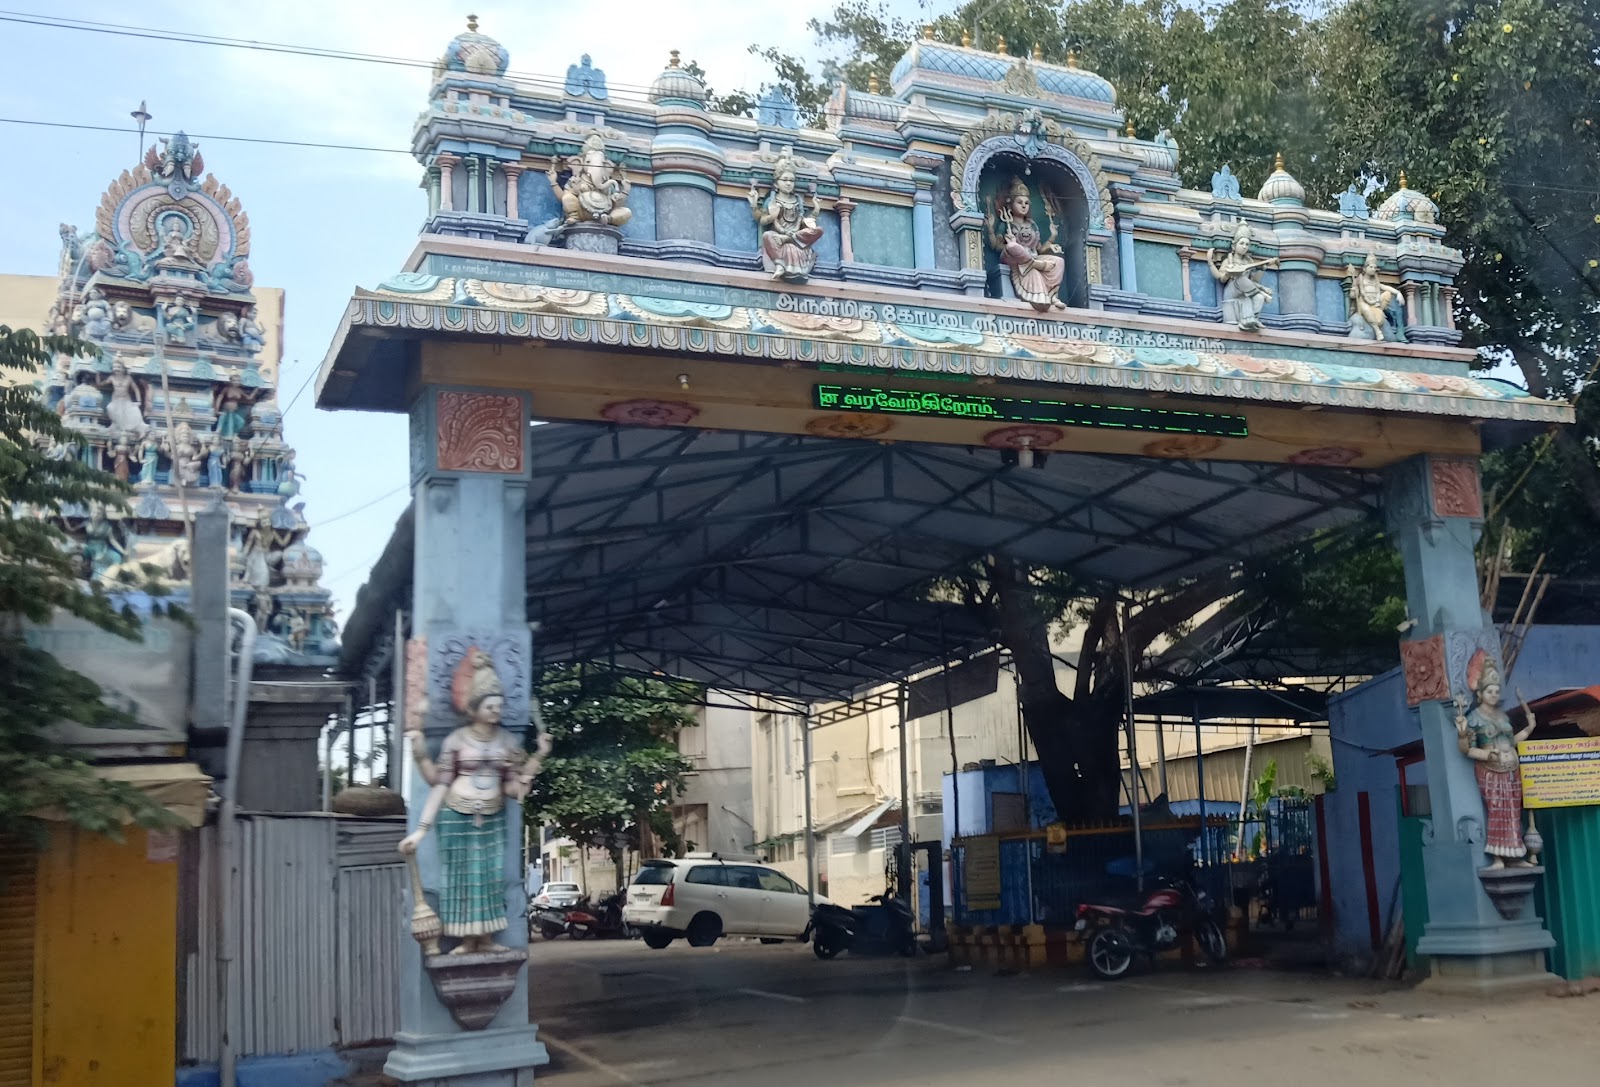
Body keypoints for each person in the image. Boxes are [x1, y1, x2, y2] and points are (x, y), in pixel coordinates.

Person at [399, 650, 552, 953]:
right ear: (475, 707)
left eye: (499, 705)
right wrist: (420, 830)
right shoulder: (456, 740)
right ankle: (467, 940)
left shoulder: (507, 742)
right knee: (460, 879)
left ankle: (485, 939)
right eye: (490, 705)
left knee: (490, 879)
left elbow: (512, 789)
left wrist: (538, 757)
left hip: (492, 817)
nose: (496, 711)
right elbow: (439, 785)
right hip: (456, 816)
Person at [1454, 650, 1536, 868]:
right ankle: (1498, 857)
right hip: (1490, 769)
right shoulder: (1474, 717)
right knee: (1497, 810)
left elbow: (1512, 741)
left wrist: (1529, 728)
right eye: (1490, 690)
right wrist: (1465, 735)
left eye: (1497, 691)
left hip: (1511, 769)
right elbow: (1466, 749)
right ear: (1480, 693)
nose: (1494, 694)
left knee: (1512, 813)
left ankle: (1515, 856)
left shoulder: (1503, 716)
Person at [986, 175, 1066, 311]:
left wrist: (1052, 238)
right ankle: (1032, 264)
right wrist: (990, 229)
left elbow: (1039, 249)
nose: (1024, 205)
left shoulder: (1032, 224)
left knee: (1058, 261)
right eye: (1019, 202)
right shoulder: (1006, 223)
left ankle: (1052, 296)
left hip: (1032, 257)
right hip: (1014, 259)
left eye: (1026, 203)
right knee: (1013, 246)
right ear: (1010, 204)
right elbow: (995, 246)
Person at [748, 153, 823, 281]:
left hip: (795, 237)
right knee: (767, 236)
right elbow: (761, 220)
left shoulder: (797, 201)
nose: (788, 183)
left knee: (818, 230)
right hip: (779, 238)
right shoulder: (772, 201)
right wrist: (763, 210)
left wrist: (816, 209)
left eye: (791, 180)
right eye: (785, 180)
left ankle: (787, 239)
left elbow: (805, 224)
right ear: (777, 183)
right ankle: (780, 264)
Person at [1206, 222, 1277, 331]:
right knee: (1240, 278)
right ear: (1234, 246)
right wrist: (1211, 262)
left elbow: (1254, 280)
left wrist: (1263, 267)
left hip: (1245, 292)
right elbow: (1221, 278)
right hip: (1231, 291)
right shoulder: (1229, 260)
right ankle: (1259, 293)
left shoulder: (1248, 261)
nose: (1244, 247)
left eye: (1247, 244)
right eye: (1242, 243)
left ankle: (1252, 319)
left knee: (1259, 297)